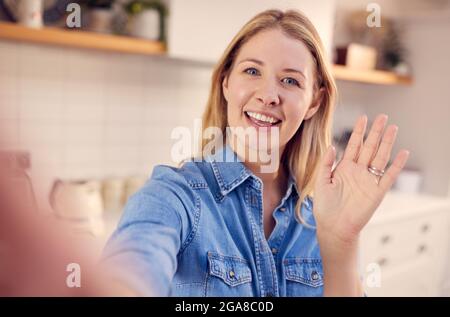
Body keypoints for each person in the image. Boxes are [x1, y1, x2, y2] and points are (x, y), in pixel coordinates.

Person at [101, 9, 410, 297]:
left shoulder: (325, 215)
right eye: (252, 71)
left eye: (290, 80)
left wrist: (340, 244)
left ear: (314, 102)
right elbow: (130, 269)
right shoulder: (175, 197)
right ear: (225, 82)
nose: (268, 95)